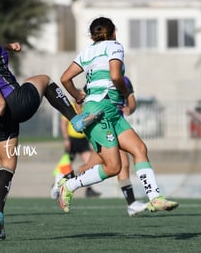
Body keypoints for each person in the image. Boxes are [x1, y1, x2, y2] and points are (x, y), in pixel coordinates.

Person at [0, 1, 93, 240]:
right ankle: (75, 120)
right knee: (45, 79)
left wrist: (7, 46)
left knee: (7, 164)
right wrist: (1, 101)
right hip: (11, 102)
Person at [58, 17, 179, 214]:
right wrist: (124, 92)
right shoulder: (115, 46)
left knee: (139, 148)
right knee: (113, 166)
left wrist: (79, 95)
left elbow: (65, 78)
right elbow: (115, 76)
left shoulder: (86, 52)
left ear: (93, 35)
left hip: (108, 110)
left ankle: (155, 197)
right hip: (99, 111)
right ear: (113, 32)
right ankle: (69, 186)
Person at [78, 76, 148, 216]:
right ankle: (65, 182)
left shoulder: (125, 80)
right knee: (90, 166)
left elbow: (131, 101)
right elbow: (80, 98)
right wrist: (83, 116)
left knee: (123, 165)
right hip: (102, 127)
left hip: (117, 126)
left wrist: (130, 109)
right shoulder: (97, 78)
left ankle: (132, 203)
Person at [51, 100, 101, 199]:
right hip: (72, 140)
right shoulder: (70, 108)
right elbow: (63, 124)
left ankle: (89, 189)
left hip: (83, 141)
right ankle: (57, 184)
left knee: (89, 164)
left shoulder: (85, 108)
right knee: (66, 164)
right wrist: (66, 139)